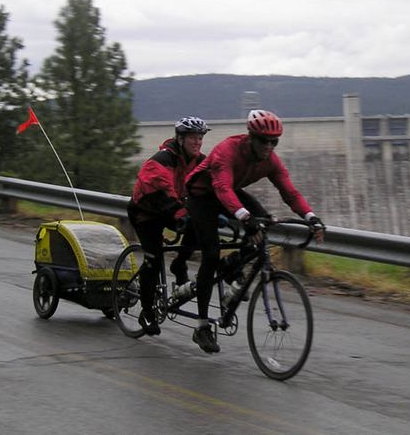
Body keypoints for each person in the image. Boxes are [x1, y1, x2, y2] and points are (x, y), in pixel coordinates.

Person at [185, 109, 325, 353]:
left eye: (274, 142)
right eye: (264, 141)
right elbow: (221, 189)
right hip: (202, 196)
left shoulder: (270, 159)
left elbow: (289, 192)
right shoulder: (226, 151)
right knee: (210, 254)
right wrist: (243, 217)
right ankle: (202, 325)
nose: (269, 146)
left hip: (230, 192)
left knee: (263, 223)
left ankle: (231, 267)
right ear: (250, 137)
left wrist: (311, 217)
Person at [127, 116, 209, 336]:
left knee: (197, 226)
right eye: (193, 137)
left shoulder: (199, 160)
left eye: (200, 138)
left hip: (170, 209)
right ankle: (147, 312)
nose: (198, 142)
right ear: (180, 139)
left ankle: (179, 264)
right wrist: (181, 213)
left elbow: (214, 185)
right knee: (153, 260)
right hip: (146, 211)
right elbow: (163, 189)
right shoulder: (163, 158)